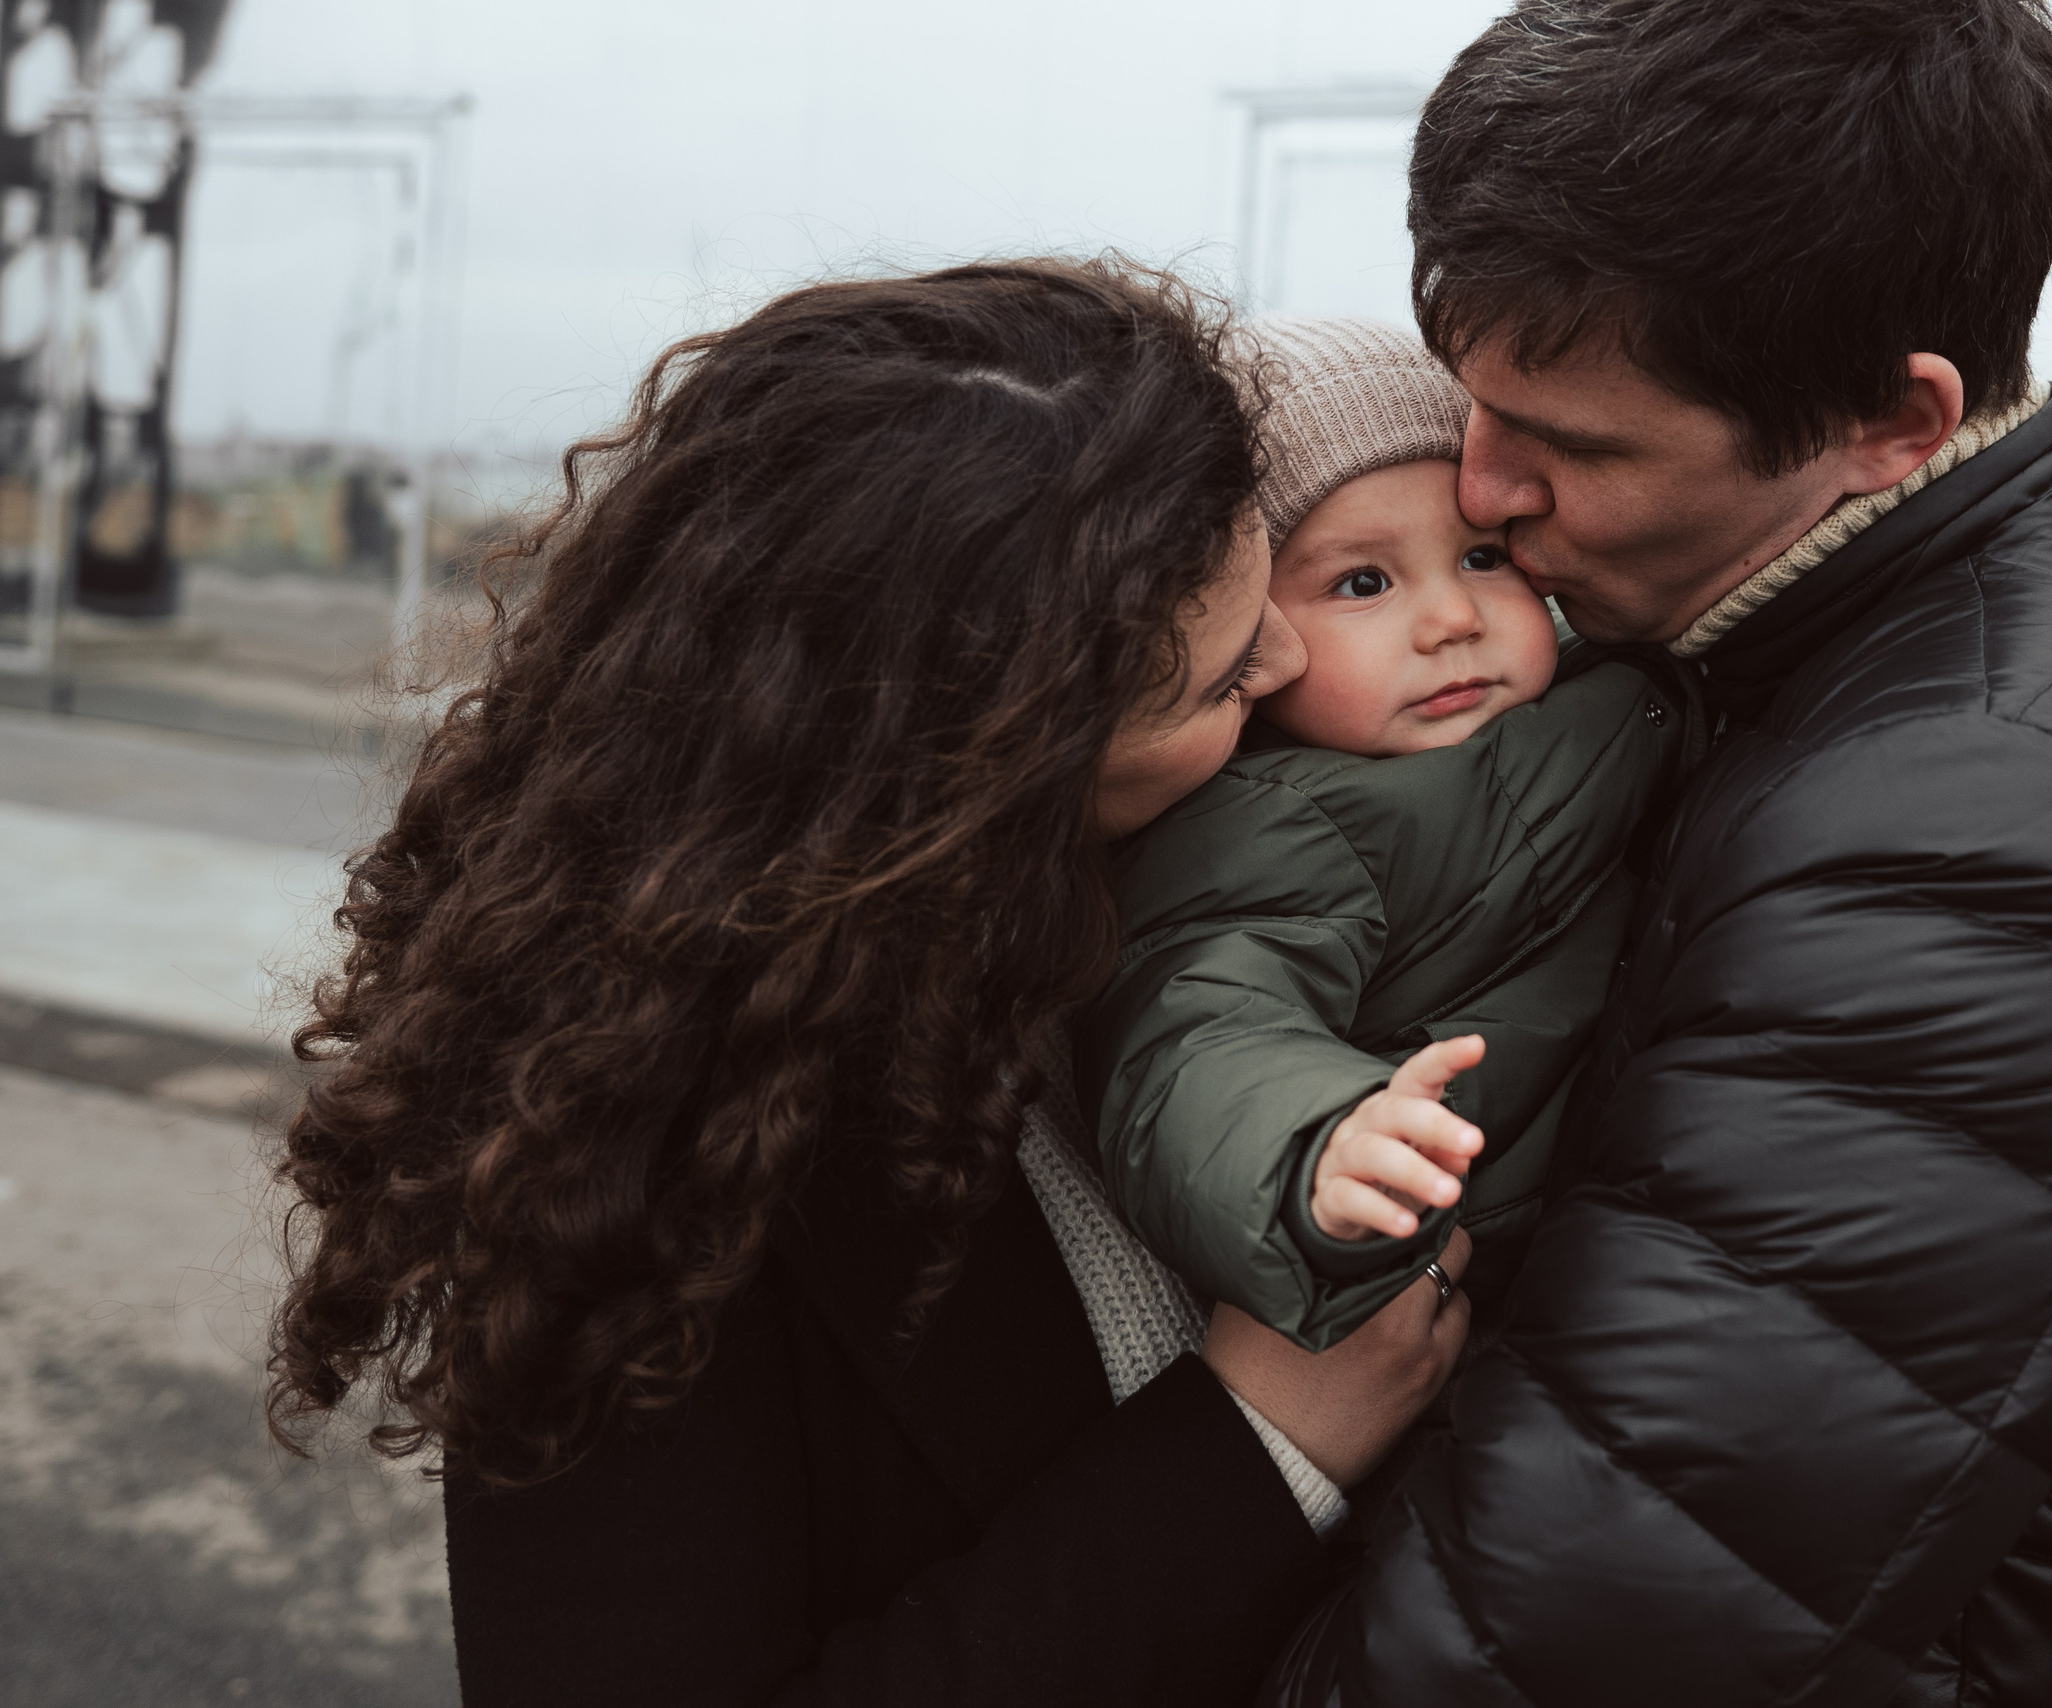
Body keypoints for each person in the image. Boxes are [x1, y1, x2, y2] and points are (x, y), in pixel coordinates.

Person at [260, 257, 1473, 1708]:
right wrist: (1264, 1442)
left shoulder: (1221, 873)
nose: (1283, 653)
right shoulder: (638, 1157)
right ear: (991, 761)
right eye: (1213, 677)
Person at [1266, 2, 2052, 1703]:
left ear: (1893, 420)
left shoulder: (1985, 851)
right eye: (1474, 400)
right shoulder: (1838, 651)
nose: (1482, 486)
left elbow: (1571, 1643)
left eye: (1575, 445)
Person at [1077, 316, 1694, 1352]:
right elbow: (1199, 1036)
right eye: (1362, 583)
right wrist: (1321, 1148)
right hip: (1488, 1276)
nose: (1451, 615)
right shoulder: (1271, 823)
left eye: (1483, 557)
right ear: (1249, 634)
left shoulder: (1620, 683)